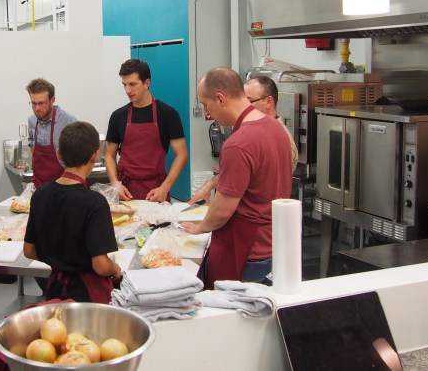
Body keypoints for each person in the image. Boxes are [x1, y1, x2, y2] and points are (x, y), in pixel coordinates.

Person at [181, 68, 292, 287]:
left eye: (206, 104)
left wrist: (201, 227)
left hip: (246, 250)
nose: (206, 114)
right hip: (274, 245)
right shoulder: (276, 127)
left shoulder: (238, 143)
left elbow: (223, 209)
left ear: (220, 99)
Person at [23, 121, 122, 303]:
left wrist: (59, 260)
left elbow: (29, 250)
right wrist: (115, 268)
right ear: (95, 155)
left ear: (59, 154)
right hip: (87, 297)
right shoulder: (95, 203)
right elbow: (100, 265)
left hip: (54, 290)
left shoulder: (40, 195)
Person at [190, 75, 298, 204]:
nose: (243, 106)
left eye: (249, 101)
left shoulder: (280, 135)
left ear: (268, 102)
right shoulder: (250, 131)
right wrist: (210, 185)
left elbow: (266, 185)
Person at [105, 59, 188, 202]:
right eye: (124, 85)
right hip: (126, 191)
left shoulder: (168, 114)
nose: (127, 90)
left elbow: (182, 155)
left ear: (147, 83)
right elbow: (109, 156)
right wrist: (115, 184)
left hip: (156, 191)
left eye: (132, 84)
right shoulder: (118, 116)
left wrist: (165, 188)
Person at [26, 78, 77, 188]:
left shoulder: (68, 121)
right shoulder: (32, 120)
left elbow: (77, 157)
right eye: (33, 103)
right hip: (40, 185)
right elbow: (32, 145)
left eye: (41, 103)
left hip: (63, 185)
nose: (37, 108)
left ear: (52, 100)